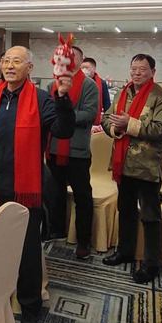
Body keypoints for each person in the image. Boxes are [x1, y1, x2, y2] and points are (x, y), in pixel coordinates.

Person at [0, 46, 75, 323]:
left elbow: (64, 130)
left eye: (17, 61)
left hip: (26, 189)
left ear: (29, 68)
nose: (9, 66)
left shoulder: (41, 99)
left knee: (28, 252)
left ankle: (30, 310)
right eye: (6, 60)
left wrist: (63, 97)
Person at [101, 54, 162, 284]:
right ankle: (125, 251)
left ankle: (152, 264)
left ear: (153, 71)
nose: (137, 73)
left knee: (150, 216)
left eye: (142, 69)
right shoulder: (123, 92)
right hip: (123, 163)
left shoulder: (160, 96)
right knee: (126, 210)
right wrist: (115, 128)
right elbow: (106, 117)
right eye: (134, 69)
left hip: (147, 165)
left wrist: (129, 124)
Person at [46, 47, 98, 259]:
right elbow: (48, 112)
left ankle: (83, 240)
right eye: (63, 57)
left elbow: (90, 114)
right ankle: (57, 229)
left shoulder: (89, 85)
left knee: (82, 196)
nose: (67, 60)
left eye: (72, 56)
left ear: (80, 59)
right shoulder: (52, 84)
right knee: (55, 192)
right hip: (53, 147)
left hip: (77, 150)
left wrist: (65, 114)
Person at [81, 57, 111, 123]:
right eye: (82, 67)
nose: (84, 70)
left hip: (95, 117)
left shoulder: (101, 83)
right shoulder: (78, 82)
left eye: (87, 67)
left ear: (94, 69)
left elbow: (107, 104)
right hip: (81, 116)